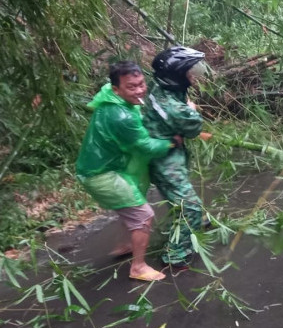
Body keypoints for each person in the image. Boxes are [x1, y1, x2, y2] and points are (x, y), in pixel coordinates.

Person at [76, 61, 178, 282]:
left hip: (104, 166)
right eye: (131, 87)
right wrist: (172, 142)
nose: (140, 90)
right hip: (99, 173)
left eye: (141, 83)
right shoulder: (121, 116)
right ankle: (138, 267)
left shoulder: (110, 96)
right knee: (143, 214)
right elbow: (146, 147)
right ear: (116, 89)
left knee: (131, 204)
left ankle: (125, 245)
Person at [143, 47, 207, 270]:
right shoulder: (177, 110)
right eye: (189, 72)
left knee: (182, 199)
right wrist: (192, 109)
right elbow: (194, 127)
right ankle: (176, 254)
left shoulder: (156, 87)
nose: (194, 76)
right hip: (165, 160)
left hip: (163, 153)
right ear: (177, 76)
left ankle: (190, 227)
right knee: (189, 206)